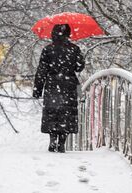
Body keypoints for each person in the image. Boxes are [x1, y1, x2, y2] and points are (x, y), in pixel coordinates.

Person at [33, 24, 85, 153]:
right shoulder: (74, 49)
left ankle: (53, 140)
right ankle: (62, 143)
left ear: (53, 33)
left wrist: (37, 89)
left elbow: (41, 71)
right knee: (66, 114)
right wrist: (77, 58)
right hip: (69, 84)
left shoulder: (48, 49)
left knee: (53, 112)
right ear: (68, 34)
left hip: (52, 84)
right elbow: (79, 67)